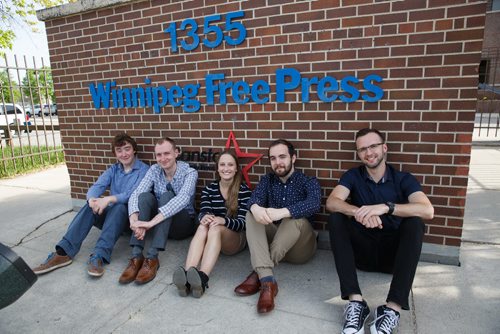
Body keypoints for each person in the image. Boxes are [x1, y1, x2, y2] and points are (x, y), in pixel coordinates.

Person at [326, 128, 434, 334]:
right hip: (362, 252)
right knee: (336, 217)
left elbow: (427, 210)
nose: (369, 153)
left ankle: (392, 309)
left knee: (416, 222)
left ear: (384, 148)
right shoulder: (353, 176)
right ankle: (356, 303)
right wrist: (361, 212)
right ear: (358, 154)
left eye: (373, 146)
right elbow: (332, 202)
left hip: (393, 257)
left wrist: (387, 207)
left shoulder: (403, 178)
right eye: (363, 149)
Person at [32, 133, 149, 277]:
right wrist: (92, 200)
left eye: (127, 149)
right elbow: (97, 186)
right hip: (109, 220)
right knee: (89, 205)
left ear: (134, 150)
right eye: (119, 150)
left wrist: (108, 199)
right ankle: (63, 252)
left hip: (129, 221)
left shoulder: (144, 170)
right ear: (115, 154)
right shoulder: (113, 169)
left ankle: (99, 256)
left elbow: (133, 194)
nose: (124, 154)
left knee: (119, 207)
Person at [234, 139, 321, 313]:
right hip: (275, 240)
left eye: (282, 157)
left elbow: (314, 204)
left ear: (293, 158)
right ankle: (267, 281)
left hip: (300, 248)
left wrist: (283, 212)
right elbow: (254, 199)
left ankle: (257, 272)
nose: (277, 162)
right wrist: (256, 207)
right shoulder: (268, 180)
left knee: (295, 218)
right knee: (251, 214)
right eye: (273, 158)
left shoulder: (308, 181)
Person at [172, 150, 252, 298]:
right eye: (222, 164)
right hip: (213, 238)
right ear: (217, 168)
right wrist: (204, 217)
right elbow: (203, 211)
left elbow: (243, 223)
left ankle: (202, 278)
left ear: (236, 169)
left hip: (235, 240)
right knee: (203, 226)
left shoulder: (244, 190)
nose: (226, 168)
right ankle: (188, 275)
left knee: (215, 228)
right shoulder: (209, 189)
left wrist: (223, 220)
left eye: (230, 165)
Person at [119, 137, 198, 285]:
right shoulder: (154, 170)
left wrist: (150, 223)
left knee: (168, 196)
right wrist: (134, 221)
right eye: (159, 155)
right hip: (160, 224)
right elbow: (136, 193)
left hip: (182, 226)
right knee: (144, 197)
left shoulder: (189, 172)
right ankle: (136, 255)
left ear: (176, 153)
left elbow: (182, 199)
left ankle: (152, 258)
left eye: (167, 153)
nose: (163, 159)